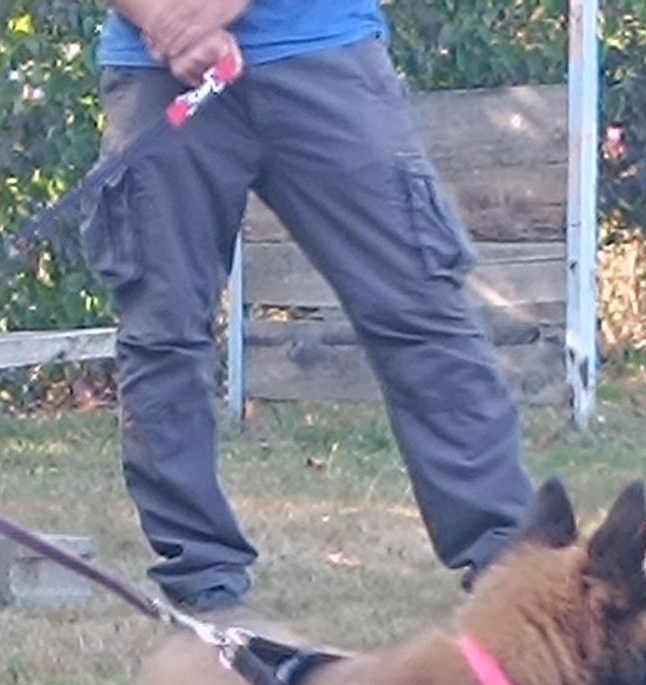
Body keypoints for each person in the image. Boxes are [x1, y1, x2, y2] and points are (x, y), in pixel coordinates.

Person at [83, 0, 536, 615]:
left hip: (320, 50)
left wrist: (206, 12)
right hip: (154, 63)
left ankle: (511, 563)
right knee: (162, 332)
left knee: (419, 309)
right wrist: (164, 20)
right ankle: (203, 581)